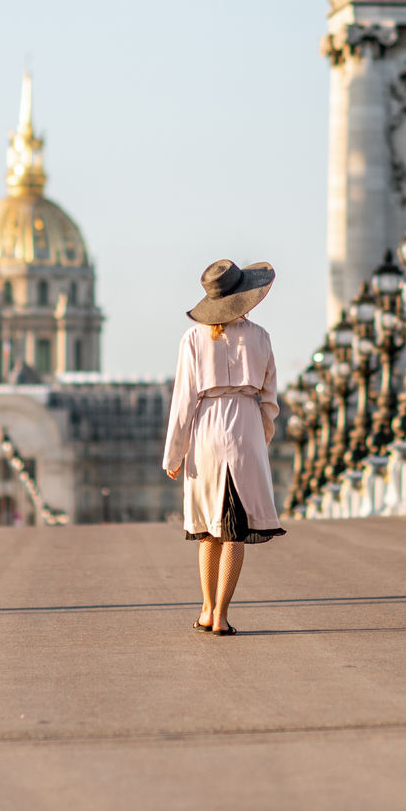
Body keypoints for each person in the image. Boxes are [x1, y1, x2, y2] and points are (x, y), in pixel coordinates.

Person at [164, 259, 286, 637]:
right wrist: (260, 439)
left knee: (209, 531)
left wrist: (174, 453)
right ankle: (221, 614)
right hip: (246, 425)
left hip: (206, 428)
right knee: (236, 530)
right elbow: (270, 400)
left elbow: (183, 400)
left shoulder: (193, 338)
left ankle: (205, 608)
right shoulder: (261, 337)